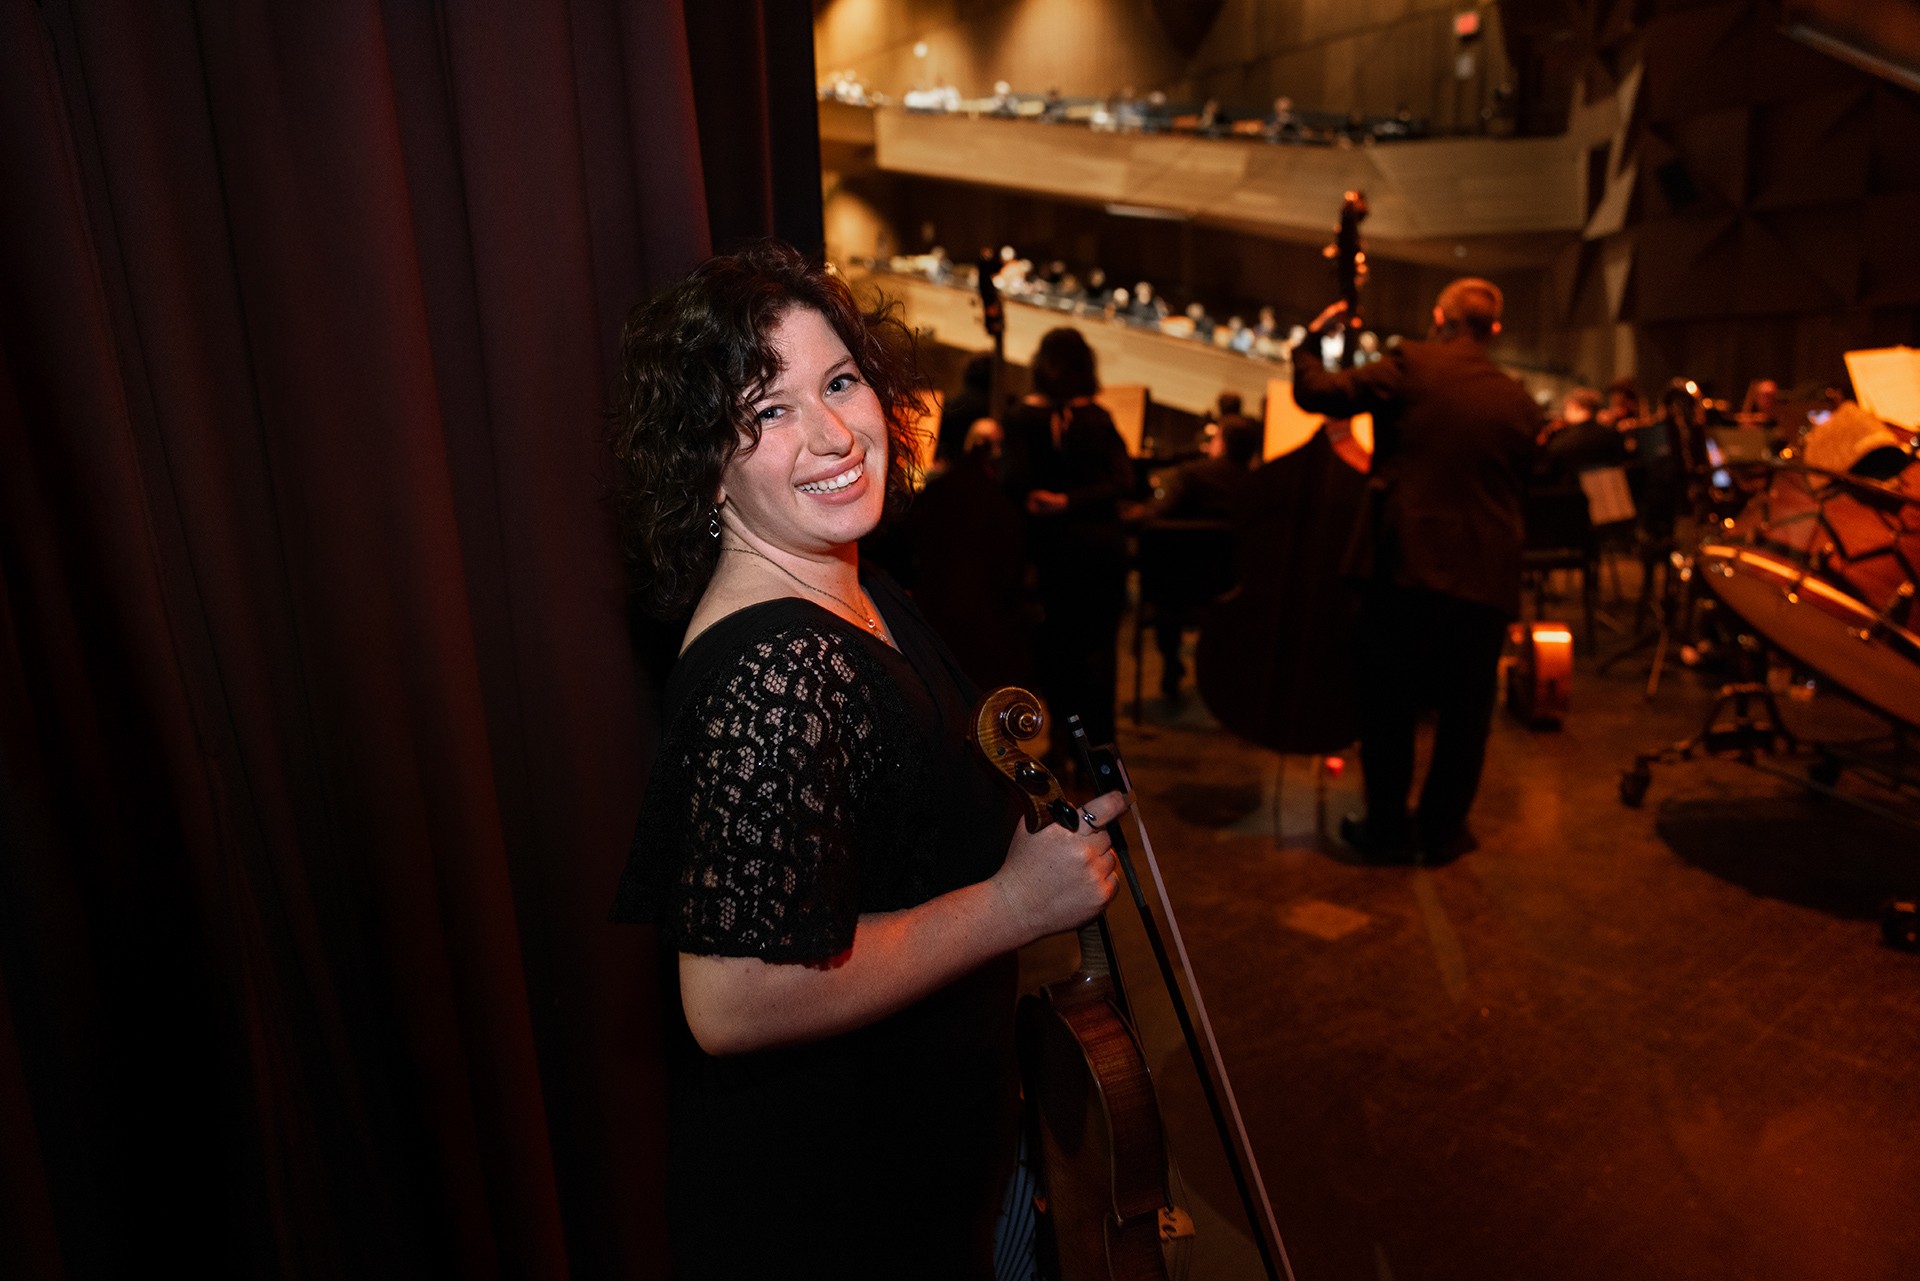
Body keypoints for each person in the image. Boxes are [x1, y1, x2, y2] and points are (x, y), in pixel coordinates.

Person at [605, 241, 1126, 1279]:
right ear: (704, 462)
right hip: (844, 1215)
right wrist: (1014, 908)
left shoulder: (858, 582)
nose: (836, 433)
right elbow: (732, 1000)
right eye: (768, 410)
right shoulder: (779, 669)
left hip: (931, 1156)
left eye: (839, 380)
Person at [1293, 278, 1539, 861]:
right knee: (1465, 716)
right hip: (1486, 578)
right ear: (1493, 330)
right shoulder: (1518, 399)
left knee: (1389, 706)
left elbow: (1319, 393)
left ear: (1438, 317)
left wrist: (1308, 344)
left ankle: (1385, 828)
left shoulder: (1410, 365)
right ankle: (1440, 831)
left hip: (1406, 570)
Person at [1002, 327, 1135, 771]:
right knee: (1098, 653)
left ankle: (1060, 741)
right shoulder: (1098, 419)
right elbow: (1124, 481)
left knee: (1056, 651)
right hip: (1099, 552)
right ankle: (1099, 753)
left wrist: (1049, 500)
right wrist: (1074, 501)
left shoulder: (1022, 418)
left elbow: (1014, 481)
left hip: (1051, 554)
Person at [1142, 414, 1260, 699]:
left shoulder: (1193, 474)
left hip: (1182, 586)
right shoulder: (1258, 485)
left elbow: (1159, 516)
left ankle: (1171, 663)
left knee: (1163, 595)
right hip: (1236, 587)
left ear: (1222, 443)